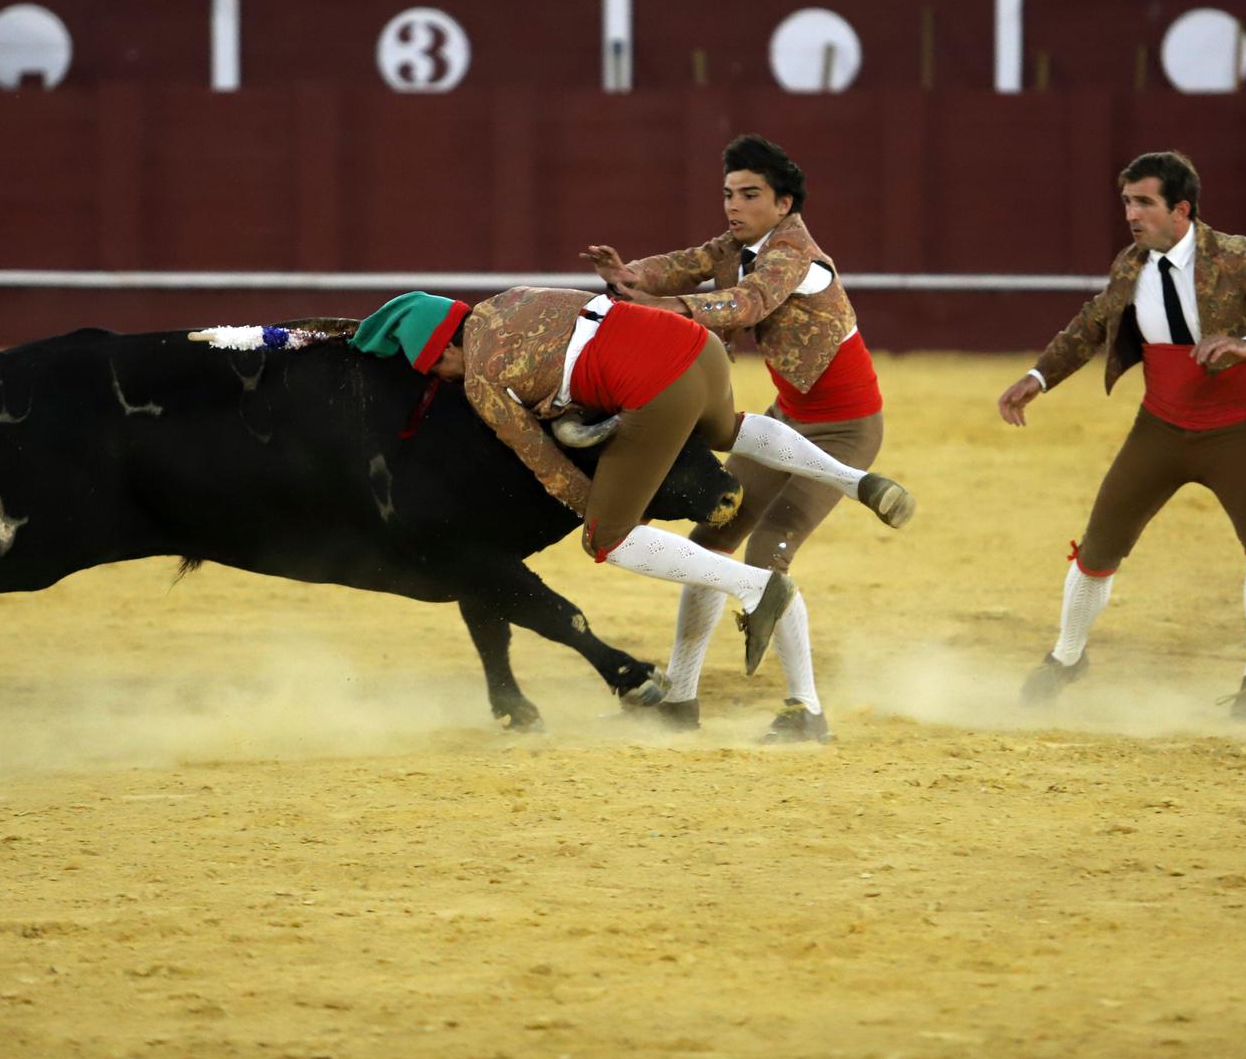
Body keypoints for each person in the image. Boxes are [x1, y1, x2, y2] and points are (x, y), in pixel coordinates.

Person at [349, 278, 906, 748]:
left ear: (443, 351)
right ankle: (855, 481)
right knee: (727, 428)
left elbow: (541, 459)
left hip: (657, 389)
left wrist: (596, 510)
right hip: (697, 349)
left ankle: (756, 587)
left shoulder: (480, 380)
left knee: (608, 540)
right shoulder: (512, 299)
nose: (444, 378)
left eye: (438, 368)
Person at [582, 135, 905, 736]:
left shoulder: (793, 257)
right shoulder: (740, 245)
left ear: (784, 204)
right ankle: (680, 698)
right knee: (710, 546)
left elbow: (746, 305)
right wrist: (631, 275)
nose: (734, 205)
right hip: (786, 420)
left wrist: (670, 307)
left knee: (768, 552)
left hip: (845, 430)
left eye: (750, 194)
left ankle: (806, 710)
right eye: (729, 193)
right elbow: (687, 262)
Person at [996, 152, 1246, 720]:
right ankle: (1067, 656)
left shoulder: (1234, 255)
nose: (1131, 213)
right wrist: (1038, 376)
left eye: (1143, 202)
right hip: (1160, 427)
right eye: (1126, 201)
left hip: (1234, 429)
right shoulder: (1131, 264)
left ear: (1181, 209)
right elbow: (1092, 323)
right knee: (1098, 546)